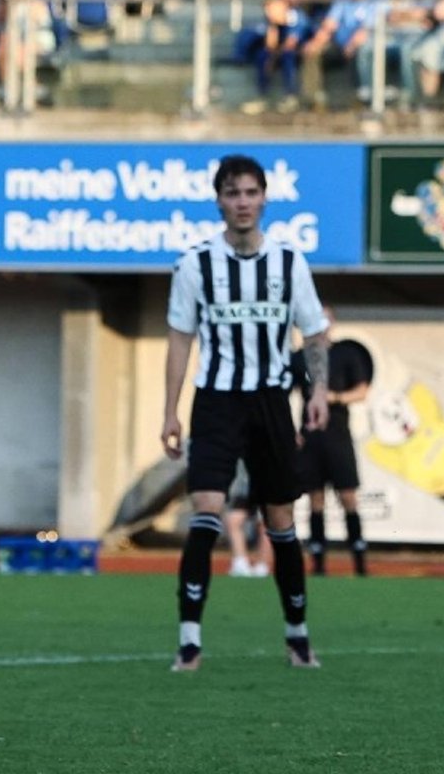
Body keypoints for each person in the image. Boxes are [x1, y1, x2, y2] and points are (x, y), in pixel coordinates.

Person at [162, 155, 333, 671]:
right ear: (219, 200)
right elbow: (179, 339)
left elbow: (315, 330)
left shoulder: (289, 262)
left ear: (264, 199)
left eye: (251, 192)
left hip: (271, 401)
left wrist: (319, 390)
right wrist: (169, 412)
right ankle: (189, 641)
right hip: (215, 400)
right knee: (207, 509)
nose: (242, 202)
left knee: (280, 519)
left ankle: (297, 635)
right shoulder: (195, 264)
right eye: (232, 193)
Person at [295, 316, 375, 577]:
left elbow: (362, 390)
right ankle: (318, 562)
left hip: (338, 437)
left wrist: (334, 398)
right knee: (315, 498)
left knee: (348, 496)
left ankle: (359, 561)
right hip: (310, 439)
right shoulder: (299, 358)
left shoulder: (345, 354)